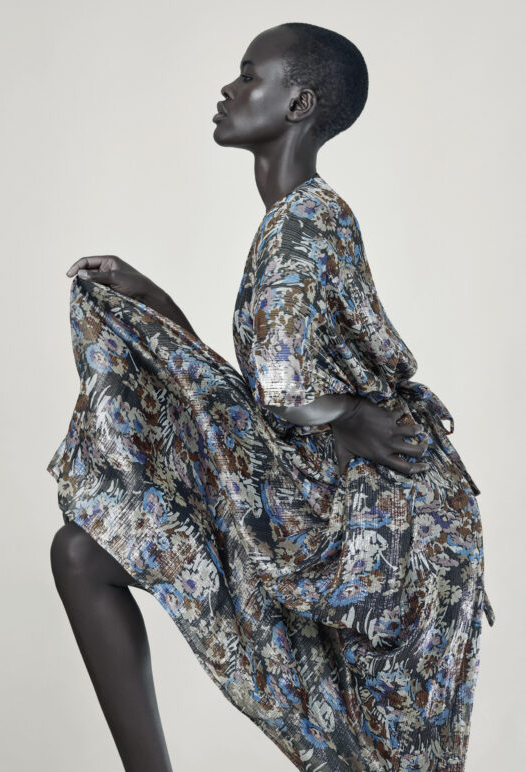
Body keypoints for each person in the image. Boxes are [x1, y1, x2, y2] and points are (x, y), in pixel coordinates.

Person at [48, 22, 494, 772]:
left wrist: (346, 415)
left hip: (383, 530)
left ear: (298, 104)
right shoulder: (298, 219)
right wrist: (152, 298)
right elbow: (267, 398)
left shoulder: (305, 223)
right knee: (82, 552)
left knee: (389, 754)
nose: (228, 89)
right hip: (335, 509)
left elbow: (284, 391)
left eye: (249, 74)